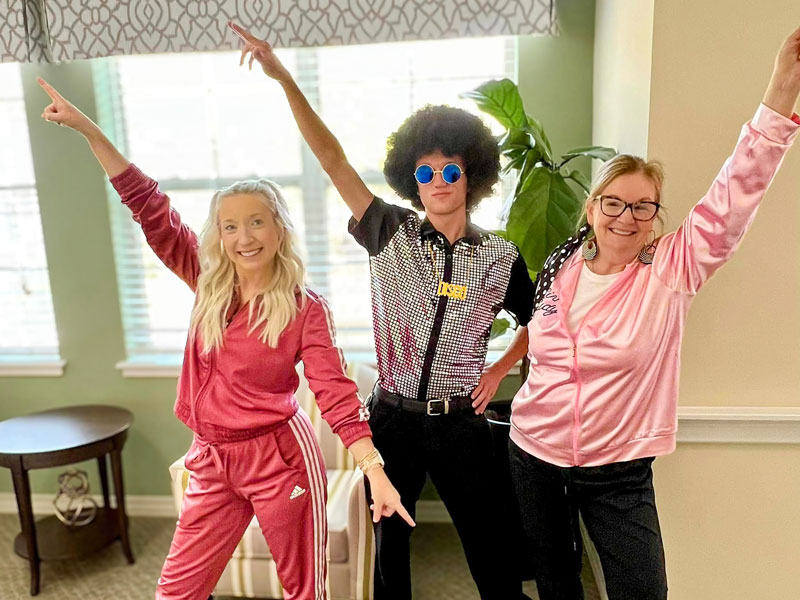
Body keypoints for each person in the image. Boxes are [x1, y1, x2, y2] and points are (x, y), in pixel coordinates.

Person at [37, 77, 413, 600]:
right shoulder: (205, 277)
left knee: (305, 591)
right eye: (230, 227)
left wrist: (373, 469)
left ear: (279, 228)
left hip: (279, 459)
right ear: (218, 235)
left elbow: (335, 394)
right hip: (213, 457)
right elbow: (148, 205)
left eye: (256, 222)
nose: (244, 237)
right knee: (175, 592)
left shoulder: (305, 308)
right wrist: (87, 130)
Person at [486, 25, 800, 600]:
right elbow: (541, 333)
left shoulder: (671, 269)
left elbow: (735, 194)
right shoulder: (563, 262)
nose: (626, 217)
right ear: (592, 207)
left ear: (656, 215)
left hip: (618, 471)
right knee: (555, 583)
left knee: (641, 590)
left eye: (642, 206)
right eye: (613, 202)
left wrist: (781, 92)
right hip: (533, 452)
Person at [228, 21, 534, 600]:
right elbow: (332, 158)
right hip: (391, 420)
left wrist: (499, 370)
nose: (439, 181)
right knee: (390, 556)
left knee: (490, 553)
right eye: (426, 172)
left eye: (451, 170)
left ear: (471, 175)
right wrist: (284, 78)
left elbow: (542, 321)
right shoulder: (387, 230)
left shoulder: (500, 254)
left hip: (461, 426)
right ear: (412, 181)